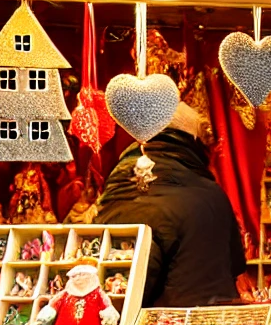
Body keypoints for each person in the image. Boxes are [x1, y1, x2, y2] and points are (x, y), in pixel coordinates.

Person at [96, 103, 247, 307]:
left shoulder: (120, 185)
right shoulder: (212, 194)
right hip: (207, 324)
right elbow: (236, 262)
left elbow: (125, 268)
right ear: (193, 142)